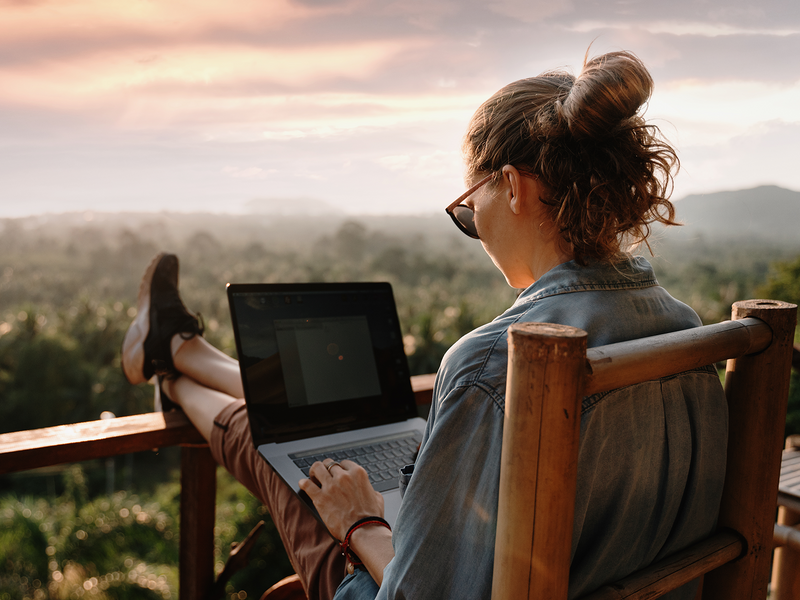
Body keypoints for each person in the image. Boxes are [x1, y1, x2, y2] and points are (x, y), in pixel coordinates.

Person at [121, 50, 727, 600]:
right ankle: (179, 354)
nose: (475, 227)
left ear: (512, 187)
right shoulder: (687, 332)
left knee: (285, 451)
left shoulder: (497, 362)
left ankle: (172, 367)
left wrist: (361, 522)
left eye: (469, 208)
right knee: (299, 434)